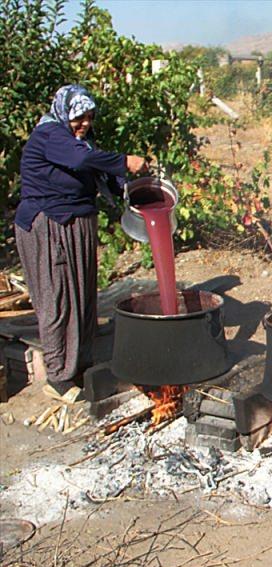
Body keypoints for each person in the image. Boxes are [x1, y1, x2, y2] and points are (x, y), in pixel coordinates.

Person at [15, 84, 147, 402]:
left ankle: (81, 364)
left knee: (83, 298)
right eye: (79, 117)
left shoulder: (81, 141)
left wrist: (131, 189)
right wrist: (124, 161)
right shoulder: (50, 135)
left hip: (77, 225)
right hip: (49, 226)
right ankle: (59, 377)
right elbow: (80, 161)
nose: (85, 123)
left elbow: (99, 170)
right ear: (64, 113)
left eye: (89, 117)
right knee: (58, 299)